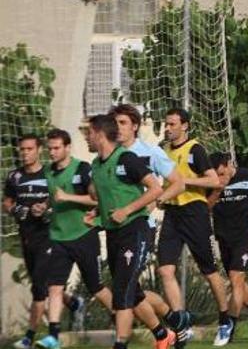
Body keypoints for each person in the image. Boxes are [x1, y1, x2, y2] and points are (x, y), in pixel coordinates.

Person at [86, 114, 176, 349]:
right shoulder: (96, 164)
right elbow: (108, 195)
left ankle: (120, 345)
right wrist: (97, 212)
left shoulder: (127, 159)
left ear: (100, 134)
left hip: (135, 230)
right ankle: (163, 334)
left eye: (89, 133)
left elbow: (155, 189)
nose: (86, 137)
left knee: (122, 293)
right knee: (132, 293)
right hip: (113, 233)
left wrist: (127, 210)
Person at [109, 104, 190, 342]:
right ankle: (173, 322)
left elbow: (178, 183)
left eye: (123, 123)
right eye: (114, 123)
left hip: (142, 227)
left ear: (134, 126)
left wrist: (156, 201)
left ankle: (163, 333)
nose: (118, 128)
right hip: (117, 228)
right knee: (131, 290)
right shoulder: (109, 156)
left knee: (126, 289)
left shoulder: (150, 152)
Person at [3, 135, 85, 349]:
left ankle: (30, 338)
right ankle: (74, 303)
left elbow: (60, 196)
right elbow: (8, 201)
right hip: (27, 237)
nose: (25, 153)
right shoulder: (14, 176)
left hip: (50, 236)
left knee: (39, 289)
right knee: (46, 284)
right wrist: (15, 209)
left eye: (29, 149)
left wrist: (47, 209)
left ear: (39, 150)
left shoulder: (49, 173)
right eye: (22, 149)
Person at [35, 129, 114, 349]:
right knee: (55, 287)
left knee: (96, 287)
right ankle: (53, 337)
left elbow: (96, 200)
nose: (52, 152)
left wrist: (67, 197)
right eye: (49, 148)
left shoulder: (82, 168)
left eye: (56, 148)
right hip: (58, 237)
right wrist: (45, 205)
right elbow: (53, 197)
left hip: (83, 235)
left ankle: (120, 318)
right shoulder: (48, 172)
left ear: (67, 147)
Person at [159, 108, 231, 346]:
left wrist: (183, 180)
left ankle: (224, 320)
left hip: (194, 213)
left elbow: (214, 180)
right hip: (172, 213)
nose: (168, 128)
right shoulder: (164, 150)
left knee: (209, 270)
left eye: (172, 124)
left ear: (185, 126)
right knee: (165, 270)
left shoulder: (195, 150)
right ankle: (182, 324)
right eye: (166, 124)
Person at [209, 153, 248, 340]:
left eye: (222, 173)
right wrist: (217, 189)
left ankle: (228, 328)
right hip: (223, 236)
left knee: (236, 279)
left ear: (228, 165)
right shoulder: (212, 182)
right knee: (236, 280)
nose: (220, 177)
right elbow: (207, 206)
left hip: (245, 235)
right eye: (216, 174)